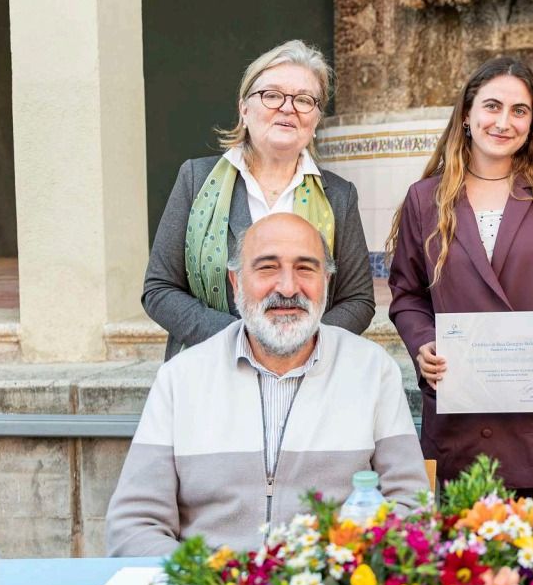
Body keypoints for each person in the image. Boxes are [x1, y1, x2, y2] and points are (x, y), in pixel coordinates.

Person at [106, 214, 428, 556]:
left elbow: (411, 507)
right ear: (236, 281)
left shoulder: (372, 370)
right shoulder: (181, 378)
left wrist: (342, 577)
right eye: (267, 268)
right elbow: (134, 525)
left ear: (326, 282)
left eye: (305, 268)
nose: (288, 288)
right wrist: (209, 583)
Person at [387, 57, 533, 499]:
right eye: (492, 106)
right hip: (462, 417)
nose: (504, 122)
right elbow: (406, 294)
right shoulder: (426, 199)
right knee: (465, 564)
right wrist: (424, 343)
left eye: (519, 111)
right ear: (467, 114)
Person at [143, 39, 374, 360]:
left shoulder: (339, 195)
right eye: (272, 95)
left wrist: (300, 345)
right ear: (244, 107)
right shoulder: (195, 180)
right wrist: (242, 341)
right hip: (209, 367)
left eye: (305, 99)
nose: (288, 107)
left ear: (316, 118)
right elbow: (159, 290)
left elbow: (358, 300)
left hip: (308, 373)